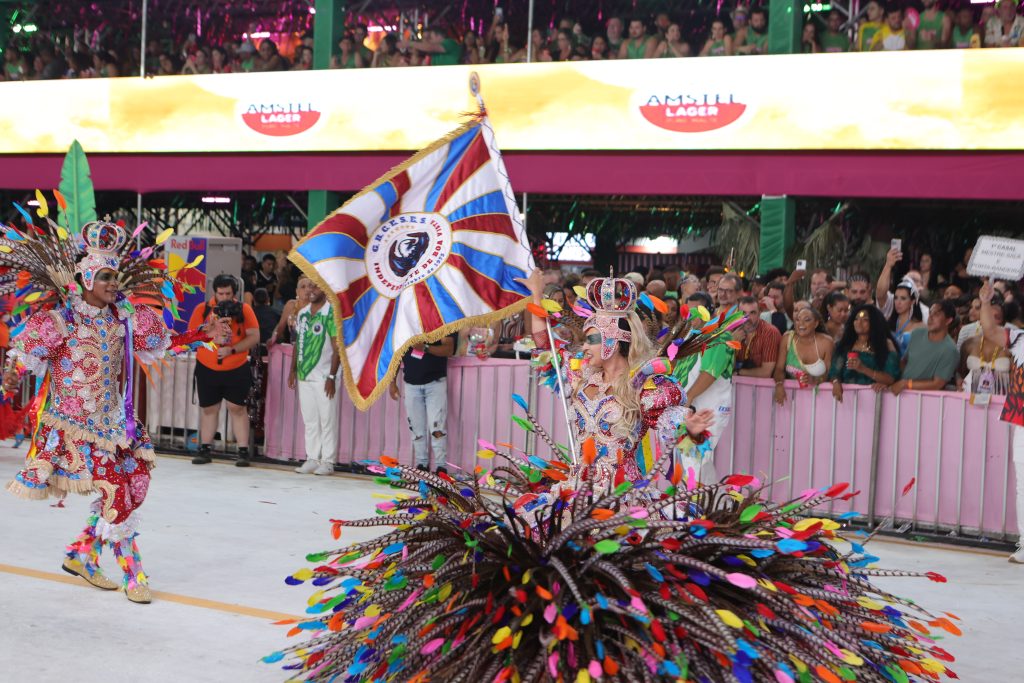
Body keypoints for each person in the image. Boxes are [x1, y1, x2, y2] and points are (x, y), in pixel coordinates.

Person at [2, 219, 219, 604]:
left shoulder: (125, 319)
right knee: (115, 492)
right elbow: (20, 358)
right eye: (104, 276)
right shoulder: (59, 321)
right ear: (86, 280)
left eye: (114, 276)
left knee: (136, 483)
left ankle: (82, 554)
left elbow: (165, 343)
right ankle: (133, 573)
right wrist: (6, 385)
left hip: (116, 424)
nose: (112, 283)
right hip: (75, 426)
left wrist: (202, 334)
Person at [523, 270, 714, 483]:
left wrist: (691, 428)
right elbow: (544, 344)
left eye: (591, 340)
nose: (584, 347)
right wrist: (537, 296)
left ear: (612, 342)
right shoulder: (582, 375)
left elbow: (674, 425)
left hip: (622, 496)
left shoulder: (643, 385)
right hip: (579, 489)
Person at [188, 275, 260, 466]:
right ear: (215, 293)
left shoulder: (244, 310)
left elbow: (254, 336)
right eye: (221, 293)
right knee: (209, 408)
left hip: (236, 366)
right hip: (207, 367)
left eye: (228, 293)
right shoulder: (202, 310)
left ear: (234, 293)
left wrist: (233, 349)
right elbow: (191, 337)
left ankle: (243, 451)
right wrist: (210, 338)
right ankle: (205, 448)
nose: (225, 297)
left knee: (237, 408)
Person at [978, 279, 1024, 562]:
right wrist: (985, 301)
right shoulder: (1019, 338)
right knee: (1023, 485)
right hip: (1023, 422)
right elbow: (990, 330)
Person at [289, 282, 340, 476]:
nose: (311, 290)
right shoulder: (302, 314)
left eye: (316, 287)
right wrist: (293, 370)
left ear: (326, 289)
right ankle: (312, 458)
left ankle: (328, 461)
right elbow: (297, 344)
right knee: (310, 420)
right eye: (308, 287)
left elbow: (338, 349)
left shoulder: (331, 314)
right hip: (305, 374)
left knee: (327, 420)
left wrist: (332, 376)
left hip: (324, 376)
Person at [389, 333, 457, 473]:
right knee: (416, 428)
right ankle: (421, 465)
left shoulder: (441, 321)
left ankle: (440, 466)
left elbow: (449, 349)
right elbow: (397, 353)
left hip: (435, 382)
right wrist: (392, 382)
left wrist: (425, 348)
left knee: (437, 426)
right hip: (411, 383)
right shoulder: (407, 323)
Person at [830, 304, 900, 400]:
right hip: (847, 401)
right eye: (856, 319)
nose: (859, 322)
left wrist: (863, 369)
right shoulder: (846, 344)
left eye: (865, 319)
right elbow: (834, 372)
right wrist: (836, 382)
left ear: (874, 322)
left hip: (875, 400)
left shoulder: (886, 344)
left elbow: (891, 378)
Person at [890, 300, 959, 395]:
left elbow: (937, 384)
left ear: (948, 320)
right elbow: (904, 362)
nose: (930, 317)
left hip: (926, 400)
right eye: (930, 313)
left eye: (936, 314)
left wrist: (906, 384)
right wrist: (891, 380)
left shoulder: (950, 350)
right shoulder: (916, 333)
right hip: (901, 393)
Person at [773, 307, 834, 404]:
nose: (801, 324)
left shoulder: (826, 342)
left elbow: (830, 374)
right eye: (797, 319)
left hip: (819, 400)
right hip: (791, 399)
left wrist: (813, 379)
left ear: (816, 323)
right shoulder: (787, 338)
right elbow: (779, 368)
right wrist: (779, 384)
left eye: (807, 320)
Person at [959, 298, 1012, 397]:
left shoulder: (1012, 347)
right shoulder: (969, 343)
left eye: (996, 317)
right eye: (988, 316)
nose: (990, 321)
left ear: (1003, 322)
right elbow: (960, 371)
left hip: (1002, 399)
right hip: (970, 396)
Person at [734, 295, 781, 378]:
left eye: (752, 313)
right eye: (743, 313)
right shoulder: (732, 331)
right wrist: (731, 345)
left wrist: (738, 372)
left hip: (763, 389)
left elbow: (766, 373)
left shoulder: (770, 333)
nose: (747, 318)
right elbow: (722, 367)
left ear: (760, 313)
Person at [269, 276, 311, 346]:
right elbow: (280, 328)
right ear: (297, 291)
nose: (307, 289)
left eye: (309, 287)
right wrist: (272, 340)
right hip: (293, 347)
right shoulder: (291, 305)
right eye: (303, 287)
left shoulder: (316, 307)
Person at [888, 281, 925, 357]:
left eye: (903, 298)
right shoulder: (889, 321)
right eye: (896, 298)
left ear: (912, 301)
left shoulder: (921, 327)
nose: (898, 302)